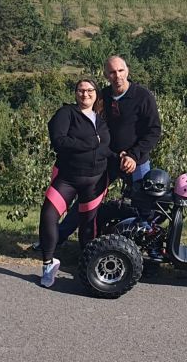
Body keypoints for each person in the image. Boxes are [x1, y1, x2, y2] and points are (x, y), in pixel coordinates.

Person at [52, 55, 162, 245]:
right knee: (86, 201)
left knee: (145, 204)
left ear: (127, 71)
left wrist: (133, 155)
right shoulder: (101, 97)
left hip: (136, 161)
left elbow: (154, 131)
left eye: (120, 70)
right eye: (112, 72)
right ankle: (56, 239)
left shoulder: (143, 96)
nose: (117, 75)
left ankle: (146, 248)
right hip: (107, 159)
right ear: (106, 75)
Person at [39, 79, 113, 287]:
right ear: (75, 93)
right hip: (67, 178)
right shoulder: (66, 114)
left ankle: (89, 267)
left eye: (90, 90)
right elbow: (59, 141)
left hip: (95, 181)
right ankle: (48, 264)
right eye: (81, 90)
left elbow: (106, 148)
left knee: (88, 225)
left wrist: (124, 157)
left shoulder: (101, 121)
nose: (85, 94)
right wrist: (91, 143)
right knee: (49, 215)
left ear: (96, 94)